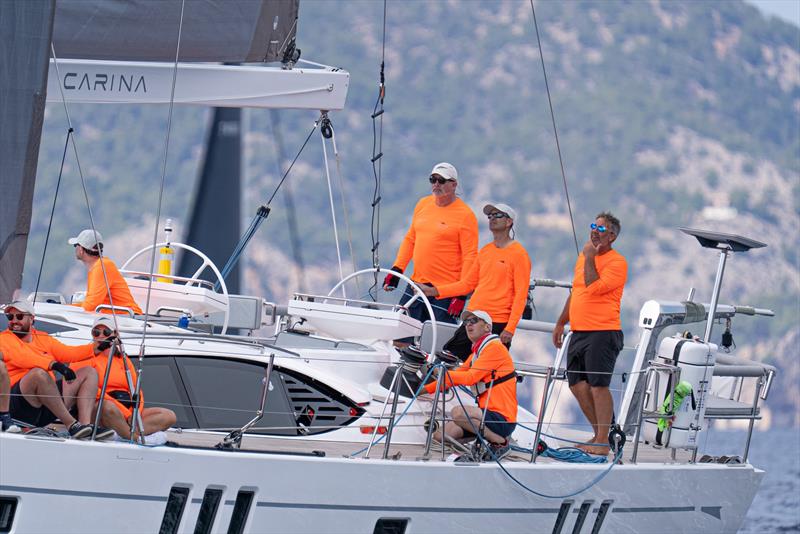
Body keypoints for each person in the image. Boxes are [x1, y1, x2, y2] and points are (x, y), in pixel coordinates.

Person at [552, 212, 627, 455]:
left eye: (602, 229)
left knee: (598, 386)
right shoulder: (584, 258)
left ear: (612, 236)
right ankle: (599, 436)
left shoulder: (617, 263)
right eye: (593, 226)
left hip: (603, 331)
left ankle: (603, 441)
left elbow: (594, 287)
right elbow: (576, 292)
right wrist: (561, 322)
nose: (595, 231)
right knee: (576, 385)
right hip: (579, 331)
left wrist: (589, 257)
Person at [383, 163, 478, 345]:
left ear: (454, 185)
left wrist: (461, 294)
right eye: (433, 180)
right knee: (400, 341)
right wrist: (397, 269)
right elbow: (411, 239)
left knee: (437, 347)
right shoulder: (423, 204)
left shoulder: (465, 215)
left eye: (441, 181)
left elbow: (470, 256)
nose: (436, 184)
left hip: (445, 292)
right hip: (416, 286)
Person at [421, 202, 531, 360]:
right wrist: (434, 291)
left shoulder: (519, 254)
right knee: (446, 359)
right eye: (490, 216)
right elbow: (467, 284)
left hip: (497, 321)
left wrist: (510, 329)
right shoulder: (485, 251)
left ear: (509, 222)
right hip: (473, 316)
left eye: (498, 215)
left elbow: (521, 295)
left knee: (487, 372)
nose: (492, 219)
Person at [0, 300, 113, 439]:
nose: (14, 321)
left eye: (19, 316)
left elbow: (69, 353)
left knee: (89, 372)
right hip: (18, 405)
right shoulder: (4, 338)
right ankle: (72, 425)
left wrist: (99, 347)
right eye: (10, 317)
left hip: (47, 404)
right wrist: (54, 365)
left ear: (31, 318)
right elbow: (21, 356)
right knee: (38, 374)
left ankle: (85, 428)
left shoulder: (43, 337)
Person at [426, 310, 517, 457]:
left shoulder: (494, 348)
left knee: (457, 413)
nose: (468, 325)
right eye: (466, 322)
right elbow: (456, 376)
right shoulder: (477, 353)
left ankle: (500, 443)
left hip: (502, 419)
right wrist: (422, 389)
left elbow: (470, 378)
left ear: (487, 327)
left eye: (474, 321)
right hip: (484, 416)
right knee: (440, 436)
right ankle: (482, 438)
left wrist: (439, 371)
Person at [75, 316, 176, 442]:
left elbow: (136, 390)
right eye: (96, 332)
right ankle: (135, 438)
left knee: (168, 415)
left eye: (106, 332)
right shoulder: (84, 356)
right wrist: (125, 413)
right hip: (102, 407)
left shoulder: (123, 358)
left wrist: (135, 412)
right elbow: (93, 391)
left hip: (128, 408)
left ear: (115, 334)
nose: (100, 335)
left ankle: (121, 433)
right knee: (108, 407)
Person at [69, 229, 143, 314]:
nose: (75, 249)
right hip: (120, 318)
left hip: (128, 319)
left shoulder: (101, 267)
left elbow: (90, 306)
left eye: (75, 245)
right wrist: (64, 307)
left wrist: (63, 310)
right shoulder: (100, 266)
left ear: (81, 249)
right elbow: (89, 304)